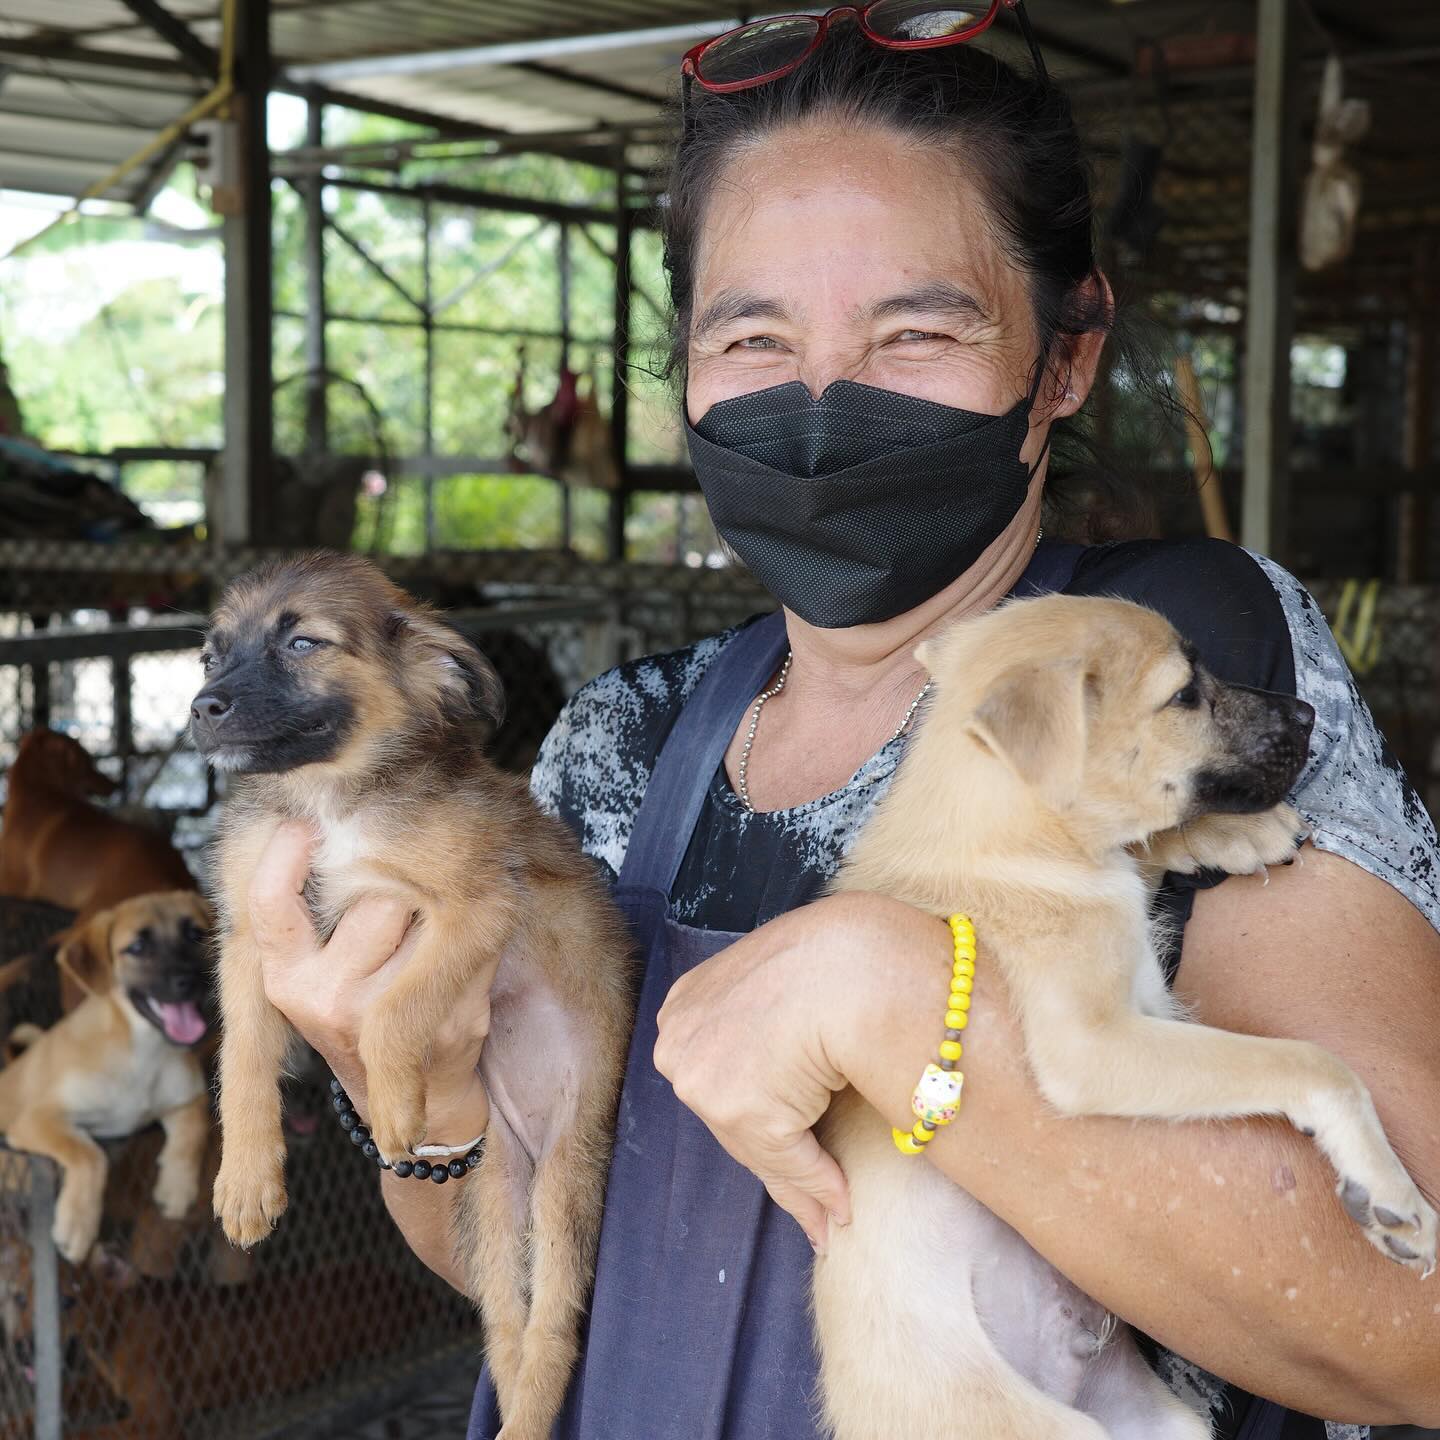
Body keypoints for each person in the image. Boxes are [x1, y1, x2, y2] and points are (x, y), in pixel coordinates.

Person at [245, 7, 1440, 1438]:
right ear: (686, 367)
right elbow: (526, 1254)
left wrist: (906, 1010)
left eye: (918, 330)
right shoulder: (622, 746)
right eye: (752, 335)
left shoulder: (1189, 672)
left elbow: (1411, 1326)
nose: (821, 406)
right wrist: (422, 1102)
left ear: (1063, 359)